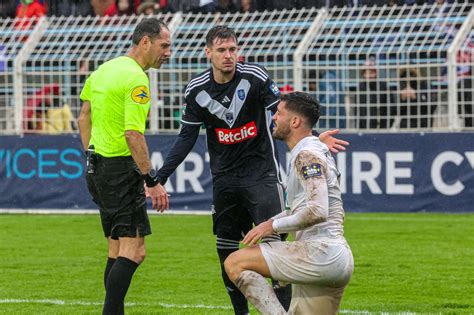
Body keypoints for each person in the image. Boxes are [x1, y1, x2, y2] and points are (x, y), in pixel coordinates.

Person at [155, 25, 348, 315]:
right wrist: (159, 177)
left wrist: (312, 135)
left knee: (274, 250)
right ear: (208, 53)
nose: (229, 56)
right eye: (221, 50)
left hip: (262, 175)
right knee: (226, 251)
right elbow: (186, 138)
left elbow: (289, 117)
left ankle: (283, 309)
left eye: (233, 49)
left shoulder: (255, 77)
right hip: (224, 180)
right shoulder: (197, 90)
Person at [224, 92, 354, 315]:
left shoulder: (307, 155)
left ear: (295, 121)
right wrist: (272, 221)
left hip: (320, 253)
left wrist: (270, 226)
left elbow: (317, 210)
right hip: (336, 260)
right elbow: (303, 208)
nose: (273, 117)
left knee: (234, 262)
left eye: (279, 113)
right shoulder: (312, 149)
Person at [77, 18, 170, 315]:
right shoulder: (136, 79)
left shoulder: (104, 69)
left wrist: (92, 153)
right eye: (164, 45)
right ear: (145, 42)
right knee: (135, 251)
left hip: (97, 168)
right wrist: (151, 179)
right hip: (119, 171)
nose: (169, 52)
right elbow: (133, 133)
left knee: (116, 250)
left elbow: (83, 117)